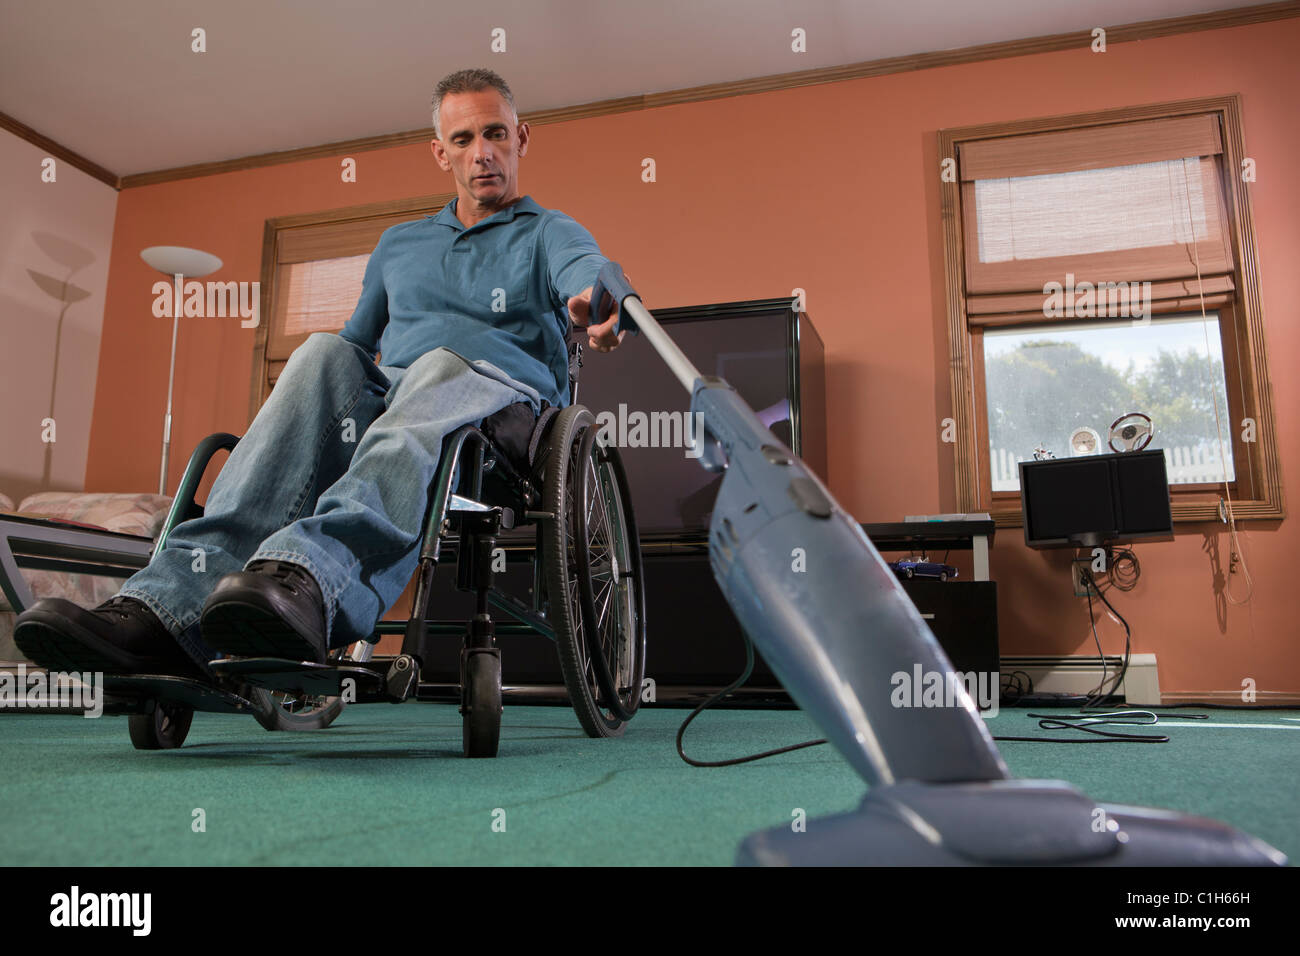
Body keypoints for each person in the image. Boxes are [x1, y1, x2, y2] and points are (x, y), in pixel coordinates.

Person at [15, 67, 627, 678]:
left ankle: (314, 579)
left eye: (496, 133)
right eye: (463, 140)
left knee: (436, 368)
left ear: (521, 138)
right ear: (440, 153)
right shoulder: (400, 244)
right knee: (318, 353)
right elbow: (353, 350)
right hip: (402, 404)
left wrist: (593, 301)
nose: (482, 152)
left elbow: (588, 272)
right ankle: (167, 608)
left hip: (500, 417)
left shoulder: (549, 231)